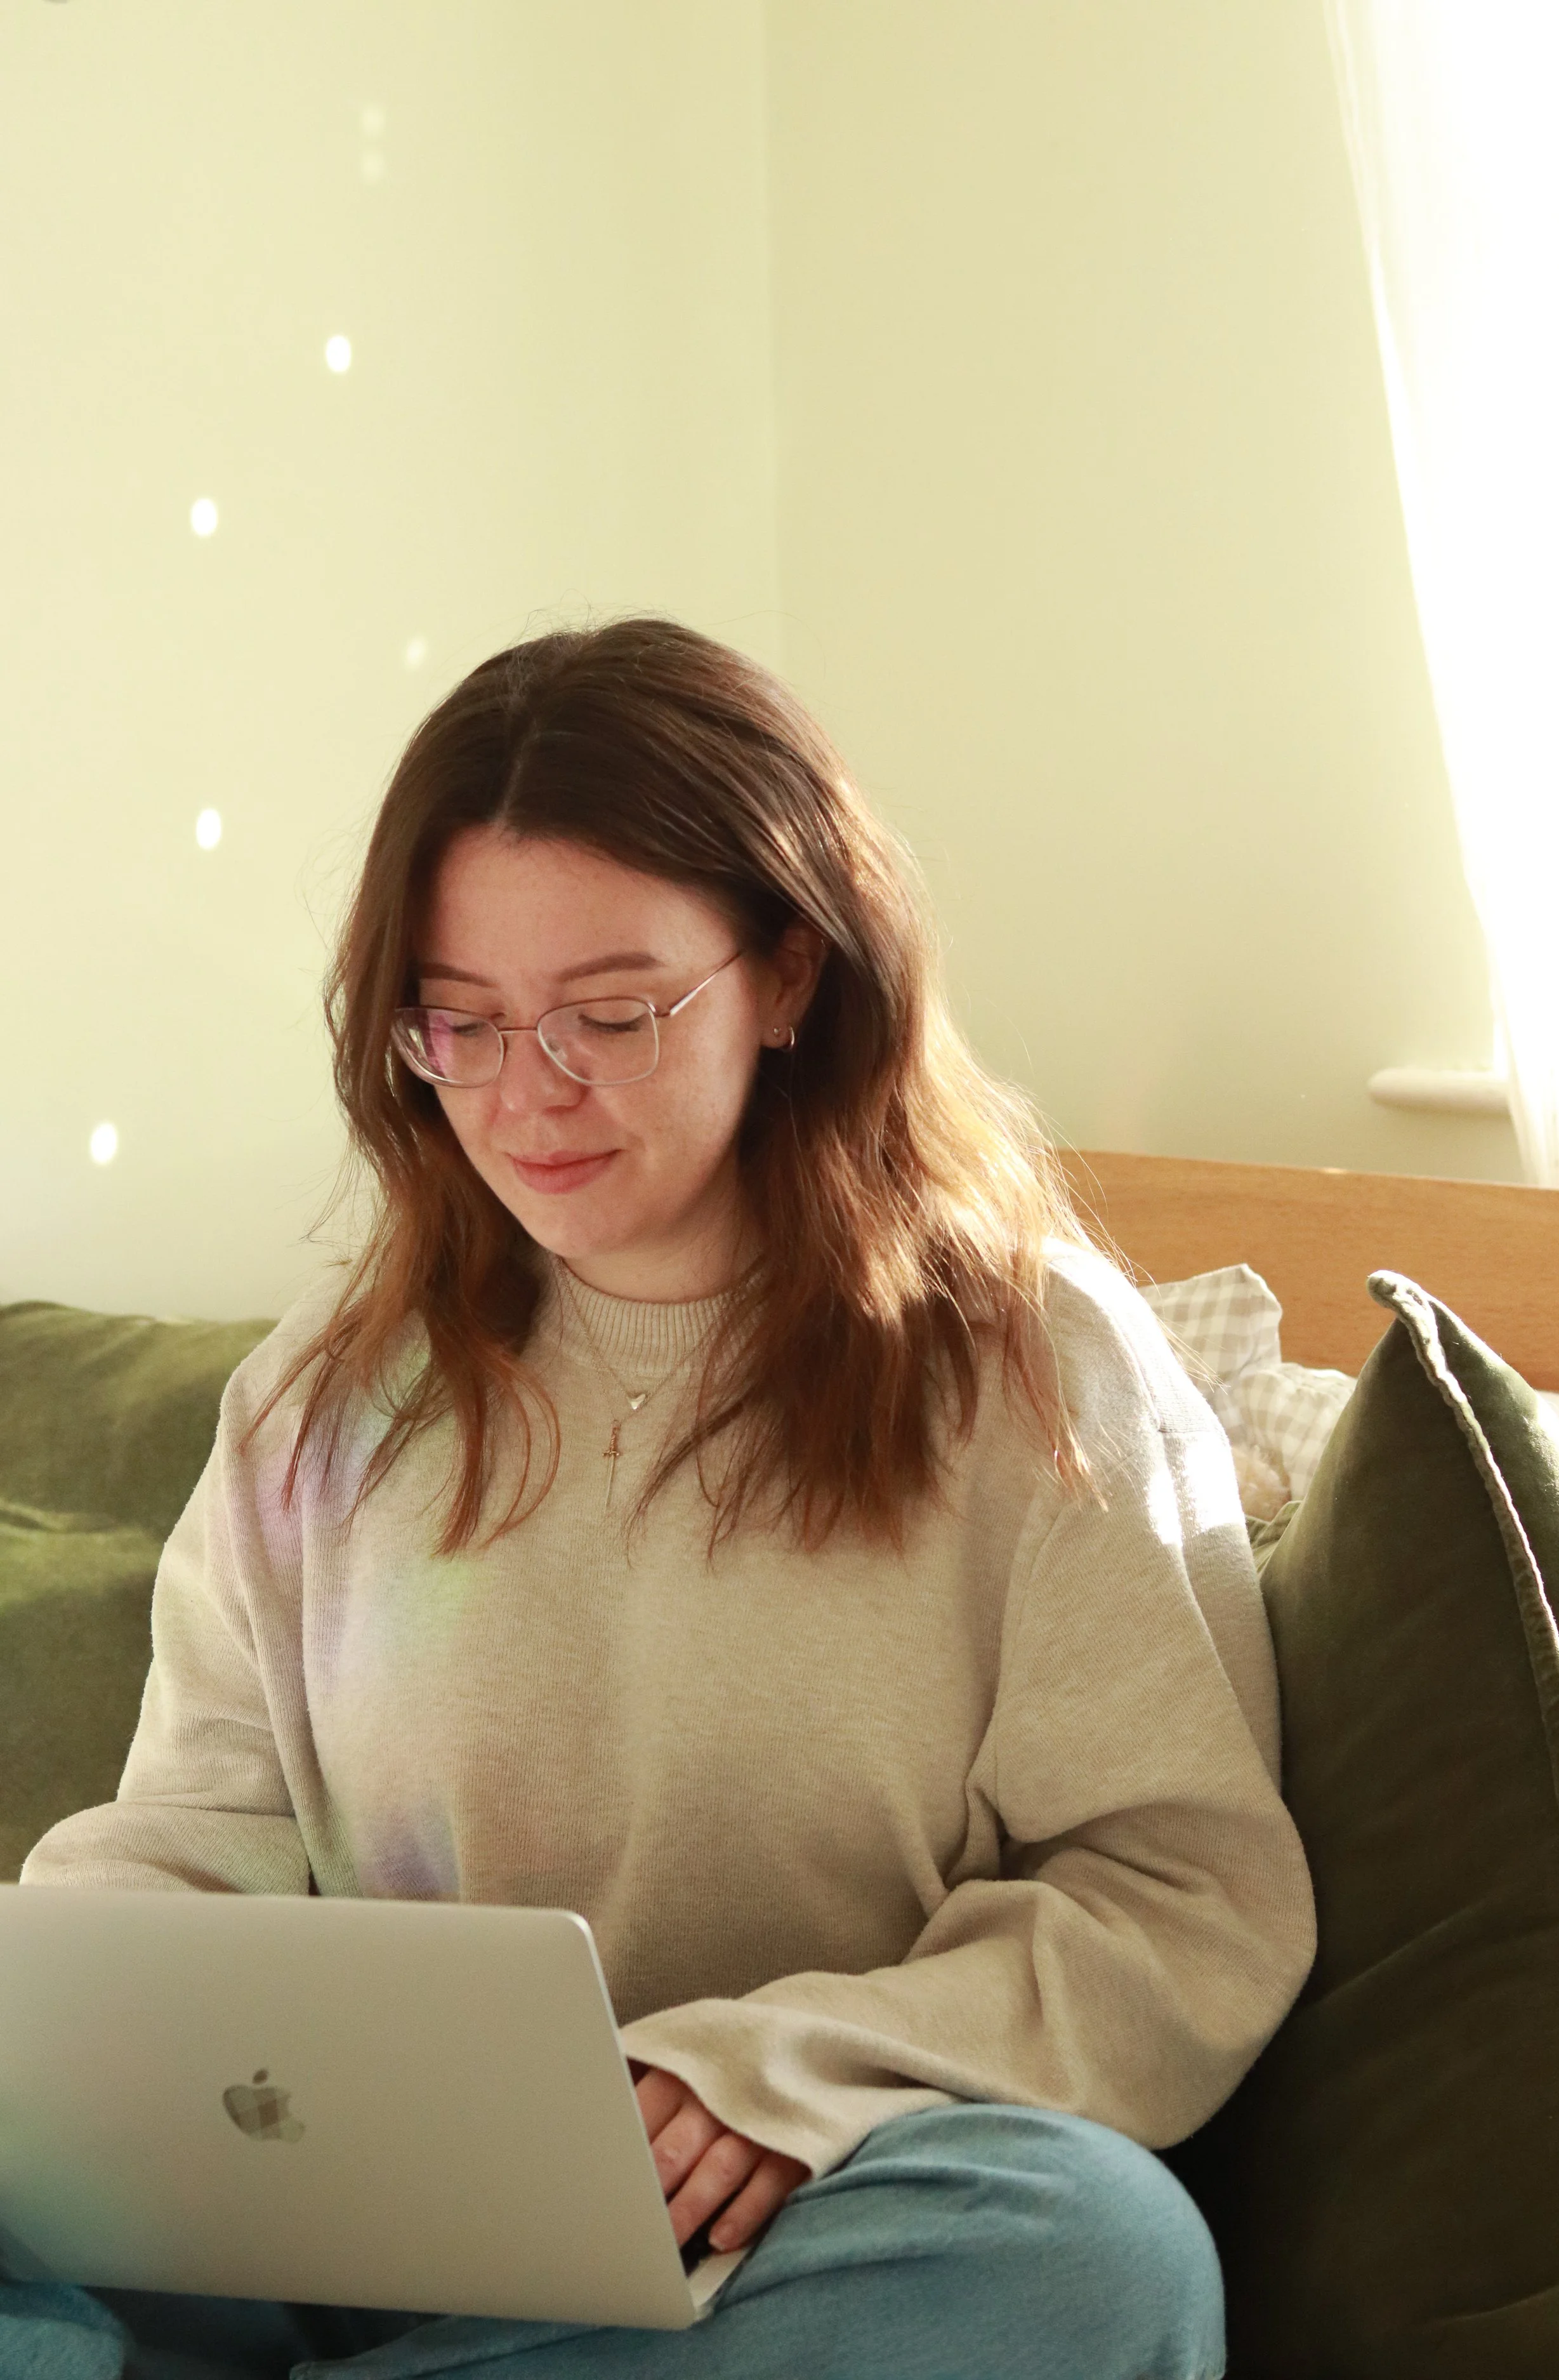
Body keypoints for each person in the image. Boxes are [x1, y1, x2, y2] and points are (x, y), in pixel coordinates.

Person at [9, 618, 1315, 2379]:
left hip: (788, 2223)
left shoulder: (1033, 1369)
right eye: (457, 1024)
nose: (527, 1095)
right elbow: (197, 1840)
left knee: (1092, 2254)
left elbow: (1183, 1893)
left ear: (791, 975)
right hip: (367, 2218)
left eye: (609, 1015)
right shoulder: (328, 1394)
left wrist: (792, 2067)